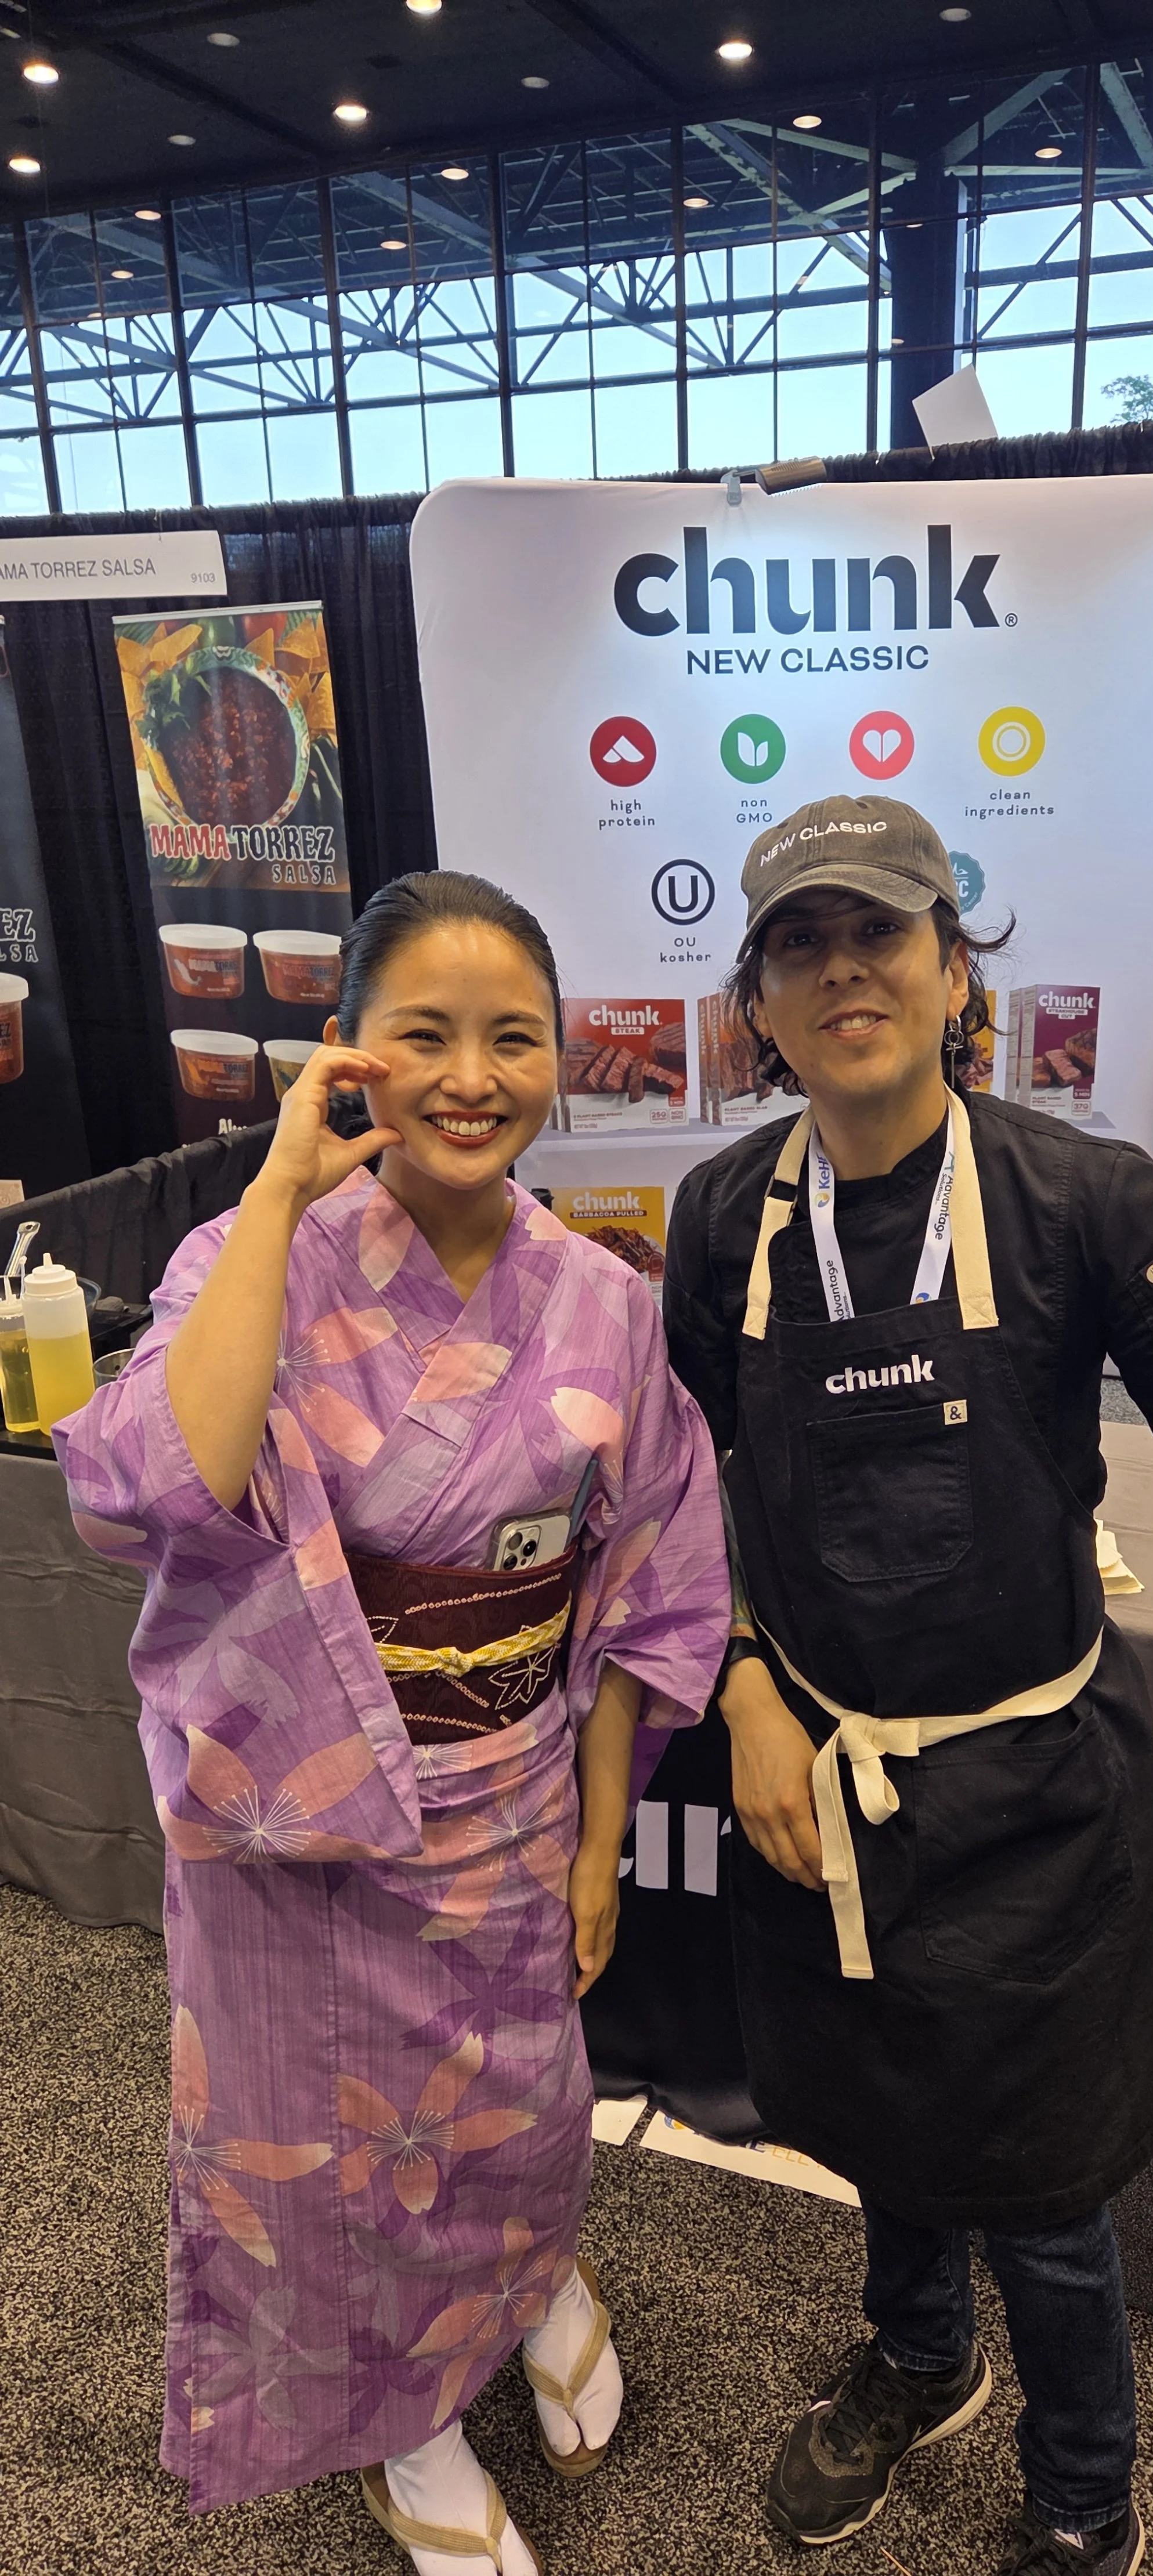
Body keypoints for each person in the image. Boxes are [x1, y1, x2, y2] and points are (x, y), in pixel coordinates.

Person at [663, 795, 1153, 2576]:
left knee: (1044, 2191)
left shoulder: (1073, 1198)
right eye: (798, 947)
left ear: (953, 971)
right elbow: (693, 1486)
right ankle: (914, 2361)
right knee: (876, 2126)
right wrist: (741, 1686)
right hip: (821, 1764)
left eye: (876, 934)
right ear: (764, 1002)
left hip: (1034, 1789)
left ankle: (1084, 2491)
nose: (840, 972)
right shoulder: (723, 1215)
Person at [55, 871, 728, 2576]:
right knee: (321, 2167)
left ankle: (524, 2283)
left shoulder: (605, 1305)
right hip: (291, 1824)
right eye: (422, 1033)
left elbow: (641, 1587)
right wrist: (280, 1197)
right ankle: (400, 2420)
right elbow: (154, 1491)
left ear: (557, 1060)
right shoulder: (251, 1256)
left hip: (503, 1796)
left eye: (513, 1037)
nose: (470, 1076)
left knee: (510, 2108)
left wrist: (594, 1846)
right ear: (350, 1050)